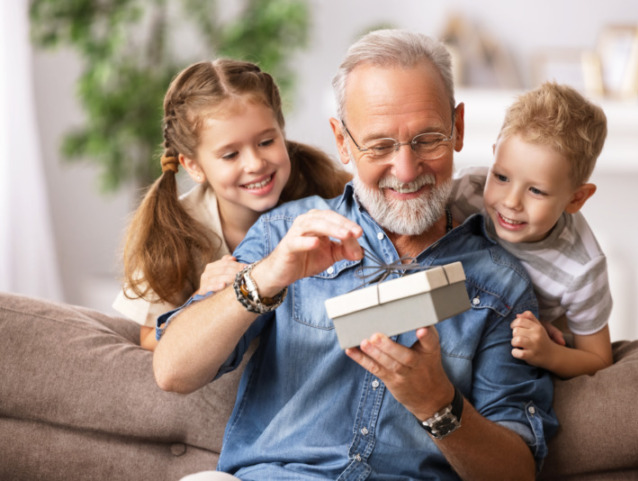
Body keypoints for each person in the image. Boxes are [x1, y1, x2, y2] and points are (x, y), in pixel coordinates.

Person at [154, 29, 558, 481]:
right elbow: (172, 372)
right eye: (380, 145)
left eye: (427, 139)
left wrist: (439, 405)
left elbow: (518, 473)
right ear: (342, 142)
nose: (406, 171)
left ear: (458, 129)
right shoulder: (284, 233)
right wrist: (265, 278)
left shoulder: (499, 284)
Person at [113, 59, 351, 350]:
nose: (255, 164)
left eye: (266, 142)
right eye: (230, 155)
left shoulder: (327, 191)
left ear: (282, 130)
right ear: (194, 166)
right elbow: (151, 340)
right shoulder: (170, 234)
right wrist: (202, 300)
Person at [450, 81, 613, 379]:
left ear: (576, 198)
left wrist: (550, 354)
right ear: (494, 154)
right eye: (501, 176)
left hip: (504, 357)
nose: (511, 202)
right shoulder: (464, 194)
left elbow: (599, 359)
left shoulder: (582, 269)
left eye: (536, 191)